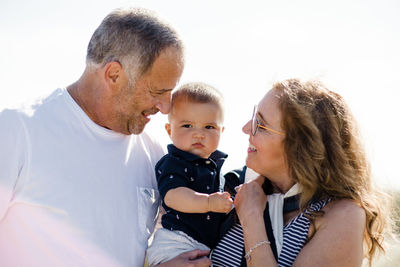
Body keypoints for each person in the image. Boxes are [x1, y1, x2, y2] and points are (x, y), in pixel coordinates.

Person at [0, 7, 212, 267]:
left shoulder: (156, 155)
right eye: (158, 91)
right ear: (114, 74)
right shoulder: (16, 131)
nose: (166, 107)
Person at [210, 78, 393, 267]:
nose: (246, 128)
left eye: (260, 124)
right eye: (254, 116)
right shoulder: (229, 187)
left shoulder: (343, 214)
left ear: (298, 146)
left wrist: (251, 217)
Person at [146, 82, 233, 266]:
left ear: (221, 131)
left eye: (209, 127)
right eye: (187, 125)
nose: (199, 134)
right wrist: (209, 202)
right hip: (175, 243)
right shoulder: (174, 161)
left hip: (200, 246)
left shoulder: (215, 167)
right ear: (170, 130)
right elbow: (173, 196)